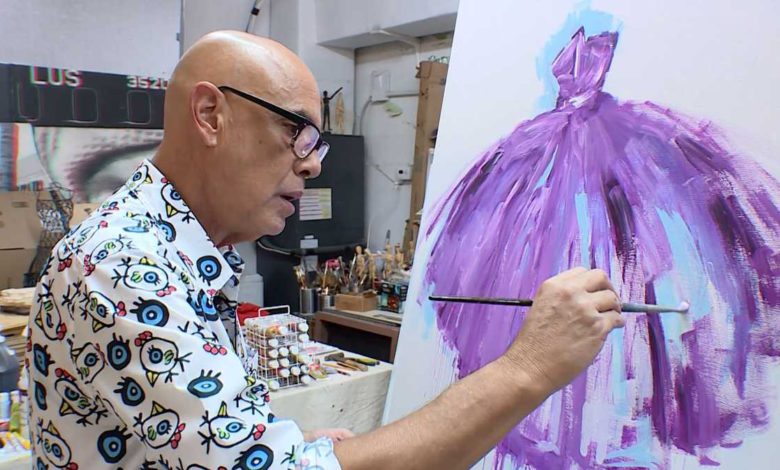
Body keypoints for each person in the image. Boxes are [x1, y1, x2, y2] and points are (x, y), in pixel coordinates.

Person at [26, 31, 624, 469]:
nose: (312, 163)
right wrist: (529, 368)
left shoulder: (170, 251)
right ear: (210, 115)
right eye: (297, 131)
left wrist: (284, 443)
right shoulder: (127, 263)